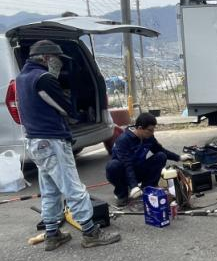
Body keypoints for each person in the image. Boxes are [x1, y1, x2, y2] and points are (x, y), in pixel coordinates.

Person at [16, 40, 121, 250]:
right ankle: (91, 233)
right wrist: (76, 113)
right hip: (51, 141)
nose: (60, 64)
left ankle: (52, 234)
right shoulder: (44, 78)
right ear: (46, 57)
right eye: (57, 59)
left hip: (35, 141)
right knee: (73, 188)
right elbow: (65, 108)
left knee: (50, 190)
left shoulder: (22, 78)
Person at [106, 113, 193, 206]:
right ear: (140, 128)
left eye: (153, 130)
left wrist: (179, 158)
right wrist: (134, 186)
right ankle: (122, 194)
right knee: (113, 166)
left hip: (138, 170)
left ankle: (147, 189)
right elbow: (127, 164)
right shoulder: (123, 140)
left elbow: (161, 150)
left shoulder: (149, 137)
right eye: (150, 130)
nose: (152, 133)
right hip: (123, 174)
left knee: (161, 156)